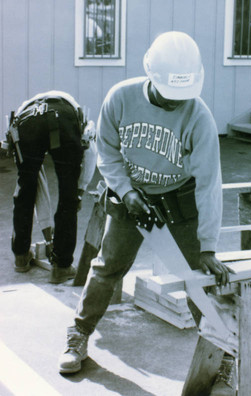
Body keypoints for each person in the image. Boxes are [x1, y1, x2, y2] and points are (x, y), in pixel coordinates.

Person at [58, 31, 236, 393]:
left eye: (182, 98)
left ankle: (226, 356)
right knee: (107, 268)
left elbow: (208, 185)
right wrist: (126, 192)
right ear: (150, 76)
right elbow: (106, 151)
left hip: (179, 202)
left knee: (198, 281)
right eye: (169, 96)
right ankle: (78, 334)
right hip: (130, 199)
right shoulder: (120, 98)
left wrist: (208, 246)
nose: (175, 104)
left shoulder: (199, 118)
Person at [6, 90, 96, 283]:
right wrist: (78, 192)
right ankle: (62, 267)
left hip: (27, 124)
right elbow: (91, 154)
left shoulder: (26, 108)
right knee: (67, 194)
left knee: (24, 189)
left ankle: (21, 256)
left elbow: (32, 181)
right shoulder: (76, 113)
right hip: (63, 120)